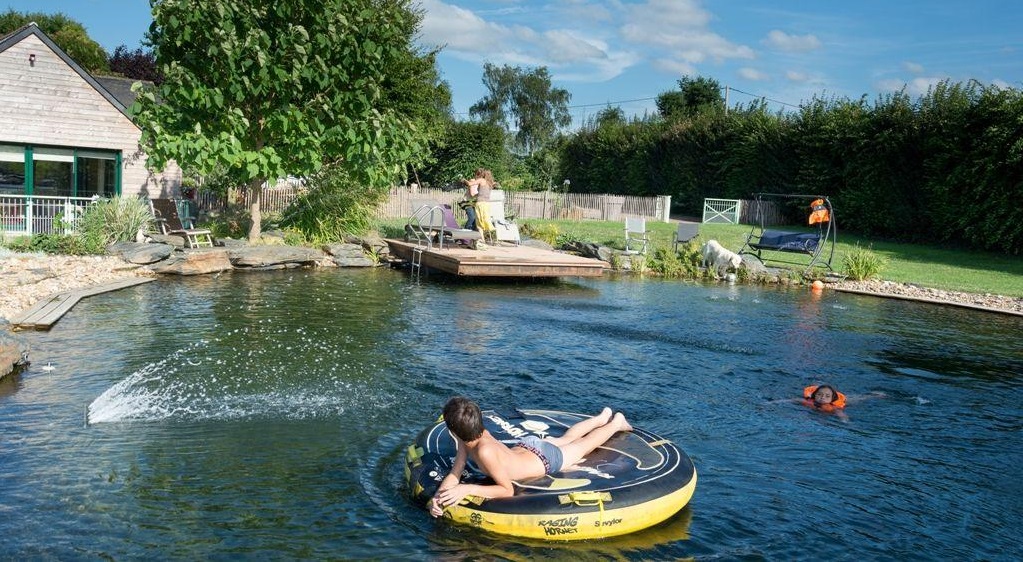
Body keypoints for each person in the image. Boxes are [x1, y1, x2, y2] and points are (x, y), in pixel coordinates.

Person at [429, 397, 632, 518]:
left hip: (544, 459)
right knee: (567, 438)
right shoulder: (472, 436)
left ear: (454, 431)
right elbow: (455, 473)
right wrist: (438, 498)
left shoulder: (484, 451)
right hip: (528, 446)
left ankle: (615, 423)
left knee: (584, 446)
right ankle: (601, 418)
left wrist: (467, 488)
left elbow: (506, 489)